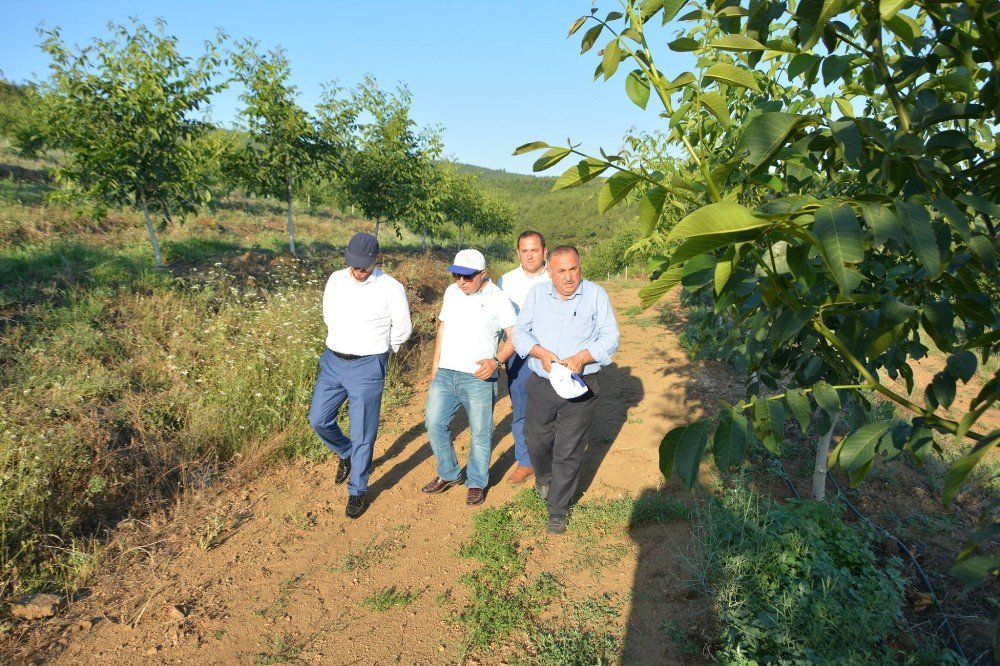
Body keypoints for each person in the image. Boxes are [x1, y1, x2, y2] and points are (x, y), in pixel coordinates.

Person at [512, 245, 620, 534]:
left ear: (580, 267)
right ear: (550, 272)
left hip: (581, 385)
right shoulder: (537, 295)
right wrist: (538, 352)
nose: (569, 277)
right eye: (562, 271)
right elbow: (520, 332)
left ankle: (557, 510)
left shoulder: (596, 295)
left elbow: (611, 336)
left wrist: (583, 357)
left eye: (574, 269)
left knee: (569, 449)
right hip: (542, 383)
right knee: (535, 439)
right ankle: (545, 476)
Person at [308, 232, 412, 519]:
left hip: (368, 365)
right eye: (354, 263)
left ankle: (358, 490)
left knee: (363, 432)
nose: (359, 269)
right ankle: (346, 452)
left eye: (365, 264)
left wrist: (379, 351)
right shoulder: (335, 280)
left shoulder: (391, 288)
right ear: (347, 258)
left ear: (377, 258)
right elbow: (328, 314)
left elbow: (402, 328)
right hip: (333, 361)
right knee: (318, 418)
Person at [421, 248, 517, 506]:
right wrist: (435, 367)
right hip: (446, 373)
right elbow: (443, 326)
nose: (461, 282)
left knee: (480, 432)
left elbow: (515, 336)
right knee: (434, 424)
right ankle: (449, 473)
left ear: (483, 274)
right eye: (456, 276)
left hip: (477, 377)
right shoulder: (452, 292)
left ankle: (476, 482)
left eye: (467, 277)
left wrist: (497, 361)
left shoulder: (498, 298)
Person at [496, 230, 550, 485]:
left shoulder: (556, 276)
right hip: (518, 353)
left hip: (552, 352)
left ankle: (553, 457)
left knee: (554, 406)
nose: (529, 255)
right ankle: (525, 461)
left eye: (534, 250)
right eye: (524, 250)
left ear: (544, 252)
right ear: (518, 253)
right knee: (521, 407)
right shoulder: (506, 281)